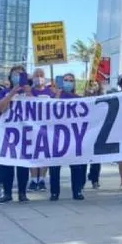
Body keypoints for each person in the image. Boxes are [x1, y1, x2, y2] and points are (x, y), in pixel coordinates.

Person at [0, 65, 31, 204]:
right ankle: (7, 193)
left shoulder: (29, 91)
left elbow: (36, 108)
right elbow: (0, 108)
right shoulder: (5, 92)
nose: (18, 76)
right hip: (8, 133)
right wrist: (12, 93)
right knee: (7, 165)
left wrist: (28, 92)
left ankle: (22, 193)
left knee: (23, 164)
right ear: (10, 77)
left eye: (21, 74)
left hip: (25, 133)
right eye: (16, 74)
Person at [48, 73, 86, 201]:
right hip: (57, 135)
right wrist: (57, 95)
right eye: (66, 80)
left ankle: (77, 191)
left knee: (76, 166)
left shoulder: (78, 98)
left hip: (73, 135)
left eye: (71, 80)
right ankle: (54, 192)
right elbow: (51, 109)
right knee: (55, 166)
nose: (68, 82)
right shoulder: (55, 96)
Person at [28, 68, 54, 191]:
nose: (39, 77)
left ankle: (42, 179)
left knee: (45, 154)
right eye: (36, 75)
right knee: (33, 154)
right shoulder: (30, 91)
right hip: (32, 127)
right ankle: (33, 180)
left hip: (47, 127)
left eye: (41, 75)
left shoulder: (51, 91)